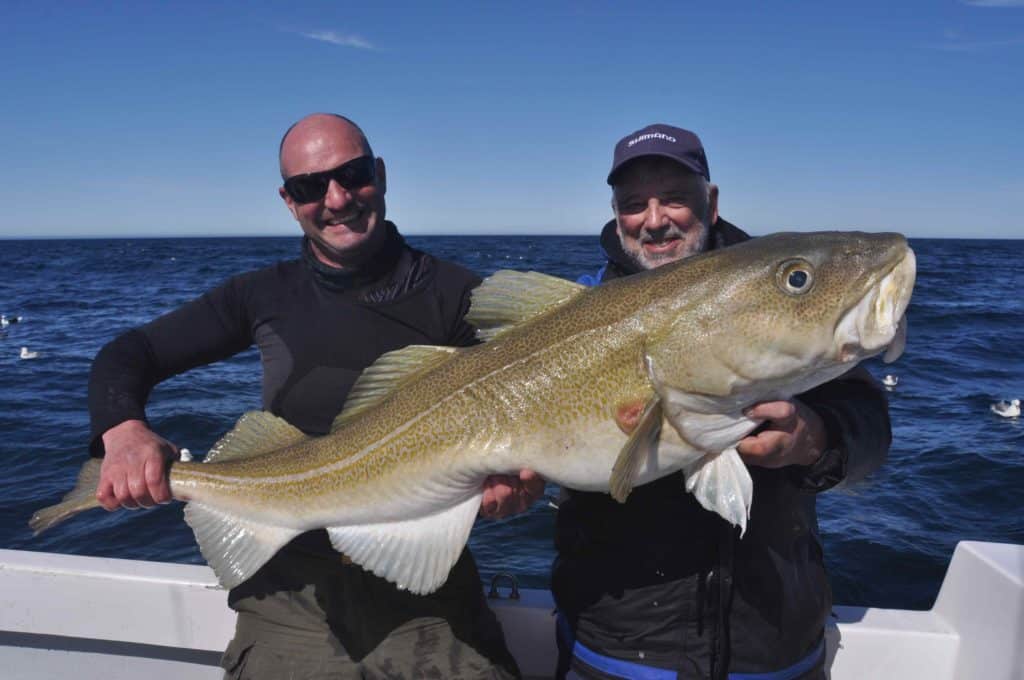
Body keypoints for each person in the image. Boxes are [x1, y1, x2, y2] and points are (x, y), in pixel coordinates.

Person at [87, 112, 542, 679]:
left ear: (380, 173)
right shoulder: (259, 295)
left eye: (353, 175)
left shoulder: (461, 296)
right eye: (309, 187)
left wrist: (520, 479)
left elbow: (527, 414)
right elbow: (129, 355)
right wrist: (123, 431)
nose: (336, 198)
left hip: (429, 596)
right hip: (290, 598)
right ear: (288, 199)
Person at [552, 124, 891, 680]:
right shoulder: (579, 312)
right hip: (617, 646)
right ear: (617, 215)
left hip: (774, 645)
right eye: (634, 204)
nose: (655, 219)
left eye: (676, 198)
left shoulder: (781, 308)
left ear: (710, 201)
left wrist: (817, 440)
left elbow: (871, 432)